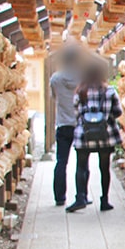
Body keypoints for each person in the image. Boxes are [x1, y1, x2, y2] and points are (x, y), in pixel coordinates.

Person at [66, 63, 122, 213]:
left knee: (81, 166)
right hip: (105, 135)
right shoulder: (110, 92)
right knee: (104, 168)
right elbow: (118, 112)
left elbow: (76, 113)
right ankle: (104, 200)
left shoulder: (80, 92)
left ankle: (80, 197)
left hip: (84, 135)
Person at [49, 45, 82, 206]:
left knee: (61, 161)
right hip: (79, 124)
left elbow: (53, 97)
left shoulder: (55, 78)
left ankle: (60, 197)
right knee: (82, 162)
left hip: (63, 124)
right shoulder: (82, 78)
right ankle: (81, 195)